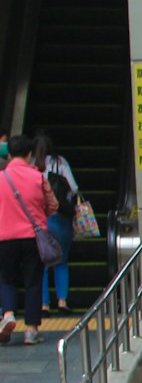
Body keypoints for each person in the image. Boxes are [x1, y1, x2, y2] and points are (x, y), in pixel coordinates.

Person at [0, 132, 58, 345]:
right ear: (29, 154)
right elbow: (53, 205)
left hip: (5, 237)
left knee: (7, 279)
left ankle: (8, 315)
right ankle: (31, 331)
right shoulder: (39, 177)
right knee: (33, 282)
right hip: (34, 238)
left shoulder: (1, 178)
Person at [33, 134, 77, 313]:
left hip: (41, 219)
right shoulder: (60, 162)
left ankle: (44, 304)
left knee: (41, 262)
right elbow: (74, 188)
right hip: (60, 218)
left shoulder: (32, 165)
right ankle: (62, 302)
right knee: (61, 261)